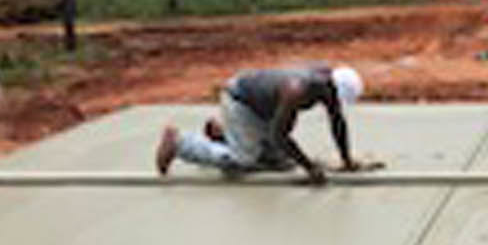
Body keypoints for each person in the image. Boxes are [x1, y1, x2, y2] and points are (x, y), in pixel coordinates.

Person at [155, 63, 376, 184]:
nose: (333, 103)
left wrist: (347, 160)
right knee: (244, 161)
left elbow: (337, 120)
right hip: (241, 101)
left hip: (262, 105)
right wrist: (310, 169)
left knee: (280, 162)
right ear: (333, 87)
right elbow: (279, 136)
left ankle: (224, 134)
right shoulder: (296, 91)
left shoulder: (326, 81)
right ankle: (179, 143)